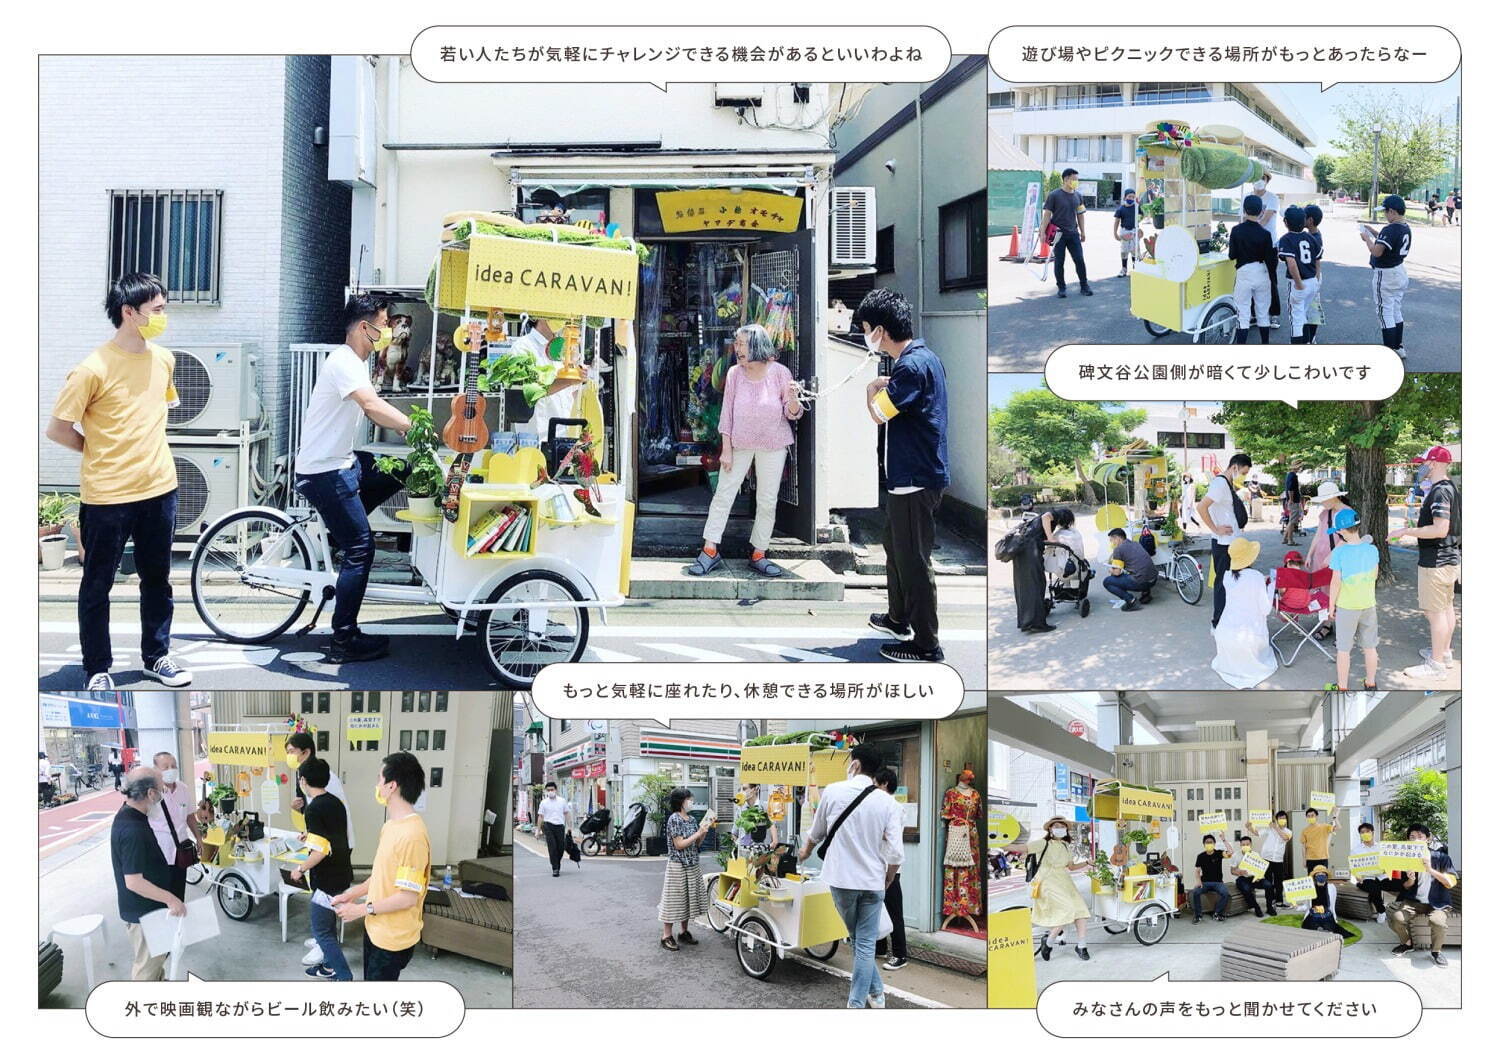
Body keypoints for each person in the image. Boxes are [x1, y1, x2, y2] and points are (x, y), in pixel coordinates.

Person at [46, 272, 192, 691]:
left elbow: (158, 411)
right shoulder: (92, 368)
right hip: (107, 494)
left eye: (164, 307)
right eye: (157, 309)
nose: (164, 316)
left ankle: (157, 657)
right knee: (97, 585)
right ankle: (97, 668)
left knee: (158, 580)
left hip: (160, 487)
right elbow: (58, 429)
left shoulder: (164, 359)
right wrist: (97, 452)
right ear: (129, 312)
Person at [293, 293, 415, 663]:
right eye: (385, 324)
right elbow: (373, 407)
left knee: (396, 470)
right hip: (324, 471)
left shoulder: (358, 361)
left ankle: (342, 528)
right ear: (366, 328)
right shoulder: (344, 361)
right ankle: (343, 641)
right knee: (362, 548)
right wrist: (413, 427)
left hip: (342, 462)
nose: (390, 330)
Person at [860, 289, 950, 663]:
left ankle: (927, 643)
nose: (866, 336)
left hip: (916, 476)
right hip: (910, 475)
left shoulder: (912, 366)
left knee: (913, 559)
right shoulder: (920, 360)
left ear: (880, 331)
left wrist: (870, 391)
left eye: (866, 329)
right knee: (895, 550)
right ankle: (898, 618)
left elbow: (879, 413)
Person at [690, 324, 804, 578]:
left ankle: (759, 553)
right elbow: (727, 413)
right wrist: (726, 449)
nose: (737, 348)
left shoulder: (779, 373)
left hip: (774, 445)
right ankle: (709, 550)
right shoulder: (734, 374)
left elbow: (792, 413)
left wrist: (795, 398)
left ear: (757, 345)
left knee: (767, 501)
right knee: (724, 495)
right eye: (737, 343)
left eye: (742, 343)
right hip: (739, 444)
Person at [798, 744, 903, 1008]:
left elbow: (816, 832)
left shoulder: (833, 790)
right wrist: (889, 878)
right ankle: (877, 993)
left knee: (859, 940)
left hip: (842, 881)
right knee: (863, 941)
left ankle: (856, 1004)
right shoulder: (888, 802)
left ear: (854, 765)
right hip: (873, 881)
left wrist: (804, 852)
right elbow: (895, 852)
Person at [331, 752, 431, 981]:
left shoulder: (412, 836)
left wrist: (359, 910)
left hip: (392, 939)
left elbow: (407, 898)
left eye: (379, 778)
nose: (376, 784)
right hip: (376, 928)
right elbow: (380, 876)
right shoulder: (391, 826)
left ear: (391, 786)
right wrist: (351, 895)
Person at [1389, 445, 1460, 680]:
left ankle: (1436, 665)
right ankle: (1445, 653)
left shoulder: (1440, 491)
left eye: (1424, 462)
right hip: (1450, 559)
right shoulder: (1451, 488)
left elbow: (1440, 529)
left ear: (1434, 463)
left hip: (1436, 561)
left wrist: (1407, 530)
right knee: (1446, 607)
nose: (1421, 467)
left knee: (1435, 613)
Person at [111, 766, 185, 980]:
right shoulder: (132, 829)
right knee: (147, 971)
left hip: (148, 909)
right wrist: (172, 899)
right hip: (143, 913)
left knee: (156, 964)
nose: (162, 796)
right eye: (161, 790)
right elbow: (134, 882)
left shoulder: (132, 816)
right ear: (151, 793)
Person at [291, 757, 354, 981]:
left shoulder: (314, 809)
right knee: (329, 924)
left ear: (304, 781)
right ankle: (328, 967)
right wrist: (310, 837)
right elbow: (332, 836)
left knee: (322, 931)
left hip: (326, 878)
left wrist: (299, 868)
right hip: (342, 872)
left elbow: (320, 852)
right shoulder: (335, 802)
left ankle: (344, 976)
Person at [1388, 823, 1458, 968]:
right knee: (1397, 918)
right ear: (1408, 841)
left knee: (1438, 922)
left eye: (1420, 836)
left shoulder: (1441, 857)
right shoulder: (1406, 858)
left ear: (1428, 838)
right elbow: (1405, 886)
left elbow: (1450, 882)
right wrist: (1411, 879)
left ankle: (1436, 952)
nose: (1416, 840)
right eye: (1412, 837)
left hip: (1438, 902)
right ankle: (1407, 943)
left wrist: (1430, 869)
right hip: (1413, 901)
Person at [1211, 537, 1277, 689]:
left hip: (1224, 636)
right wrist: (1271, 586)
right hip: (1248, 639)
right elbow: (1265, 610)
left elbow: (1242, 585)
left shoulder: (1227, 577)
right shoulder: (1257, 577)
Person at [1326, 508, 1380, 691]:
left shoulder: (1339, 553)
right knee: (1370, 646)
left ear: (1340, 531)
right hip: (1368, 605)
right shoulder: (1372, 549)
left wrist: (1331, 605)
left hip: (1347, 607)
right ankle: (1370, 683)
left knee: (1343, 649)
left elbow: (1335, 583)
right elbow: (1374, 575)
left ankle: (1342, 687)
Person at [1197, 452, 1252, 627]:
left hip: (1231, 542)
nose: (1243, 477)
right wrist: (1215, 529)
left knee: (1233, 580)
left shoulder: (1226, 483)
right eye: (1243, 472)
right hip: (1224, 543)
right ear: (1235, 467)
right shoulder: (1220, 483)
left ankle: (1228, 618)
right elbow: (1201, 506)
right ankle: (1218, 622)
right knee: (1223, 582)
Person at [657, 788, 713, 952]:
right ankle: (666, 936)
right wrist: (698, 834)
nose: (692, 801)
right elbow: (679, 844)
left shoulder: (692, 819)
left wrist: (703, 832)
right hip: (678, 865)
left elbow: (697, 845)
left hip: (692, 863)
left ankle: (683, 932)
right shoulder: (674, 819)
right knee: (673, 900)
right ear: (681, 801)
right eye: (690, 798)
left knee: (688, 900)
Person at [1030, 816, 1092, 961]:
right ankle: (1049, 942)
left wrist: (1087, 863)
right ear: (1050, 829)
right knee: (1068, 910)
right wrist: (1001, 842)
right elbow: (1023, 848)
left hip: (1064, 881)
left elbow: (1070, 867)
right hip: (1048, 882)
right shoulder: (1042, 843)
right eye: (1056, 826)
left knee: (1081, 911)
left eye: (1062, 826)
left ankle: (1081, 946)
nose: (1060, 829)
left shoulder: (1065, 846)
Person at [1359, 194, 1412, 357]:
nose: (1385, 215)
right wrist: (1373, 231)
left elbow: (1376, 251)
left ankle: (1390, 351)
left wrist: (1366, 238)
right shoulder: (1405, 227)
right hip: (1399, 271)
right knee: (1396, 310)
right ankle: (1398, 346)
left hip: (1386, 274)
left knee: (1385, 312)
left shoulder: (1390, 229)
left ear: (1393, 212)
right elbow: (1385, 239)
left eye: (1386, 212)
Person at [286, 732, 355, 852]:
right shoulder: (302, 773)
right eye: (287, 753)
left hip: (335, 844)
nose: (289, 756)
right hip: (322, 841)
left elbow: (330, 813)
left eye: (292, 752)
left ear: (306, 752)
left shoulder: (323, 776)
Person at [147, 751, 201, 902]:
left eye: (174, 766)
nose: (171, 770)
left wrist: (199, 838)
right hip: (160, 853)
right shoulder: (151, 794)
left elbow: (190, 816)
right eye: (165, 767)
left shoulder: (183, 789)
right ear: (156, 770)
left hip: (181, 852)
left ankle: (178, 921)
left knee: (179, 893)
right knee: (162, 897)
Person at [1011, 506, 1075, 635]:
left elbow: (1038, 537)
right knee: (1037, 585)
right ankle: (1037, 624)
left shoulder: (1037, 522)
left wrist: (1048, 541)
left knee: (1025, 587)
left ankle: (1026, 622)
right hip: (1029, 554)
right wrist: (1051, 537)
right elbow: (1047, 516)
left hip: (1021, 553)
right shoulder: (1052, 515)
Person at [873, 767, 908, 971]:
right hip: (879, 865)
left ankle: (900, 955)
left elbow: (890, 836)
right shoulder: (884, 806)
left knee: (894, 912)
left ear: (885, 784)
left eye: (876, 784)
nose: (874, 788)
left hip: (891, 868)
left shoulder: (894, 807)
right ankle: (879, 948)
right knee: (877, 909)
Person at [1229, 194, 1274, 344]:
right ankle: (1265, 344)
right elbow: (1270, 260)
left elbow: (1232, 255)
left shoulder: (1236, 230)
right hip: (1261, 273)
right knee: (1262, 312)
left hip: (1244, 273)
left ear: (1244, 210)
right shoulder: (1266, 234)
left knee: (1243, 313)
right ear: (1261, 211)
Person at [1041, 169, 1092, 297]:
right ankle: (1061, 288)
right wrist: (1042, 232)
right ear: (1065, 179)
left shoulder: (1078, 196)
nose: (1076, 182)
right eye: (1073, 179)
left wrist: (1083, 231)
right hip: (1058, 234)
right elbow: (1047, 215)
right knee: (1059, 261)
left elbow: (1080, 215)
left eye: (1077, 179)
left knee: (1079, 260)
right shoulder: (1054, 195)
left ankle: (1084, 286)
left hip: (1073, 234)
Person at [1277, 205, 1321, 344]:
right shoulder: (1310, 237)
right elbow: (1318, 258)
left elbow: (1291, 264)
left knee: (1296, 319)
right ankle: (1307, 344)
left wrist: (1299, 284)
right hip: (1312, 281)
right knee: (1304, 315)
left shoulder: (1286, 239)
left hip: (1299, 283)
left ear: (1285, 222)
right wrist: (1316, 279)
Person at [1251, 171, 1282, 327]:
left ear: (1267, 181)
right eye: (1256, 177)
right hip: (1251, 246)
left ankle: (1274, 314)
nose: (1259, 180)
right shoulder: (1246, 198)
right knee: (1251, 280)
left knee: (1271, 279)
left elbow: (1265, 219)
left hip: (1269, 245)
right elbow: (1242, 218)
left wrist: (1248, 230)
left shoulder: (1272, 198)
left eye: (1263, 178)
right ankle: (1253, 314)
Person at [1246, 812, 1293, 913]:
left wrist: (1276, 828)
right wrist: (1249, 827)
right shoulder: (1269, 829)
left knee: (1278, 882)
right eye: (1280, 818)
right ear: (1276, 819)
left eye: (1284, 818)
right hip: (1266, 858)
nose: (1282, 820)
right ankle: (1270, 901)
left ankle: (1279, 902)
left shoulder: (1288, 831)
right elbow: (1257, 833)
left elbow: (1285, 838)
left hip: (1278, 860)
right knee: (1268, 882)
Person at [1103, 527, 1157, 612]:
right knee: (1139, 569)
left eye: (1112, 540)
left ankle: (1131, 601)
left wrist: (1111, 570)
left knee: (1107, 581)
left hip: (1141, 581)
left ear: (1118, 538)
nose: (1111, 543)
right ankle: (1146, 595)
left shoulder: (1118, 549)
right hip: (1153, 579)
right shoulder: (1136, 543)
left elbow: (1117, 572)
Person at [1349, 822, 1392, 924]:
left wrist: (1388, 869)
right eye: (1362, 832)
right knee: (1374, 889)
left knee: (1401, 884)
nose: (1365, 834)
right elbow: (1353, 868)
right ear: (1360, 835)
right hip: (1366, 878)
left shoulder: (1382, 847)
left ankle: (1398, 908)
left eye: (1367, 831)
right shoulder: (1355, 850)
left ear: (1372, 832)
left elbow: (1389, 862)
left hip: (1382, 876)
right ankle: (1381, 911)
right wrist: (1358, 877)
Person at [1300, 865, 1354, 938]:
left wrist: (1334, 916)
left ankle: (1325, 930)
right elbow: (1306, 905)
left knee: (1330, 927)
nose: (1321, 876)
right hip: (1313, 914)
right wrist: (1297, 906)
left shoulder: (1331, 887)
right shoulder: (1310, 887)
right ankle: (1318, 929)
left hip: (1326, 914)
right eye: (1318, 874)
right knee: (1310, 928)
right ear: (1315, 876)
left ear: (1326, 876)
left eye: (1323, 874)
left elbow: (1332, 905)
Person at [1190, 834, 1232, 923]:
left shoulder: (1219, 853)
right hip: (1205, 882)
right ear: (1204, 844)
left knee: (1225, 893)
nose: (1209, 844)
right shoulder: (1200, 856)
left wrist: (1224, 839)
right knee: (1196, 892)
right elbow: (1197, 871)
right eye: (1207, 842)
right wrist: (1198, 881)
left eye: (1211, 842)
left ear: (1214, 843)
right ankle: (1198, 915)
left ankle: (1217, 913)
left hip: (1218, 882)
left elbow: (1231, 852)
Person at [536, 781, 572, 877]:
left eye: (552, 790)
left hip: (560, 826)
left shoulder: (562, 801)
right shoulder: (543, 803)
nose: (550, 791)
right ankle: (555, 868)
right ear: (546, 791)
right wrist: (538, 830)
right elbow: (540, 816)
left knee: (561, 847)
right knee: (552, 848)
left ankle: (557, 863)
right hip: (548, 826)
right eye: (548, 790)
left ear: (556, 790)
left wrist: (570, 826)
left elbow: (567, 813)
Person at [1303, 205, 1326, 342]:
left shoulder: (1312, 238)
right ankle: (1311, 338)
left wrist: (1316, 278)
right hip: (1315, 276)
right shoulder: (1315, 234)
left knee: (1308, 310)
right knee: (1312, 309)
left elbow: (1317, 260)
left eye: (1304, 216)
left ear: (1310, 220)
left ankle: (1309, 339)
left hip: (1311, 276)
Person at [1230, 833, 1266, 918]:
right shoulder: (1235, 855)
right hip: (1243, 878)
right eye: (1243, 844)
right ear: (1240, 845)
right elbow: (1232, 871)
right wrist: (1239, 872)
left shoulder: (1256, 855)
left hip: (1255, 878)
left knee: (1268, 885)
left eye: (1247, 844)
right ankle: (1256, 907)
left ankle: (1270, 907)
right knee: (1246, 888)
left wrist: (1259, 876)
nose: (1245, 846)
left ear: (1251, 844)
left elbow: (1261, 869)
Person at [1301, 807, 1338, 875]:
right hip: (1310, 859)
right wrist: (1304, 860)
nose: (1310, 817)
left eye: (1312, 815)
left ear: (1317, 816)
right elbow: (1303, 847)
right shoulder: (1305, 831)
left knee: (1322, 880)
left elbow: (1338, 827)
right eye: (1308, 816)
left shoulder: (1324, 827)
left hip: (1323, 858)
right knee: (1312, 880)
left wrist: (1335, 817)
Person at [1112, 188, 1139, 277]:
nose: (1131, 198)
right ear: (1125, 197)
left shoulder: (1136, 207)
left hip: (1134, 231)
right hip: (1124, 231)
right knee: (1124, 251)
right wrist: (1115, 233)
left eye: (1133, 197)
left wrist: (1139, 229)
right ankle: (1124, 269)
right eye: (1129, 196)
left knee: (1134, 250)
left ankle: (1136, 268)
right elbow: (1116, 221)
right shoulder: (1121, 209)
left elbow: (1143, 215)